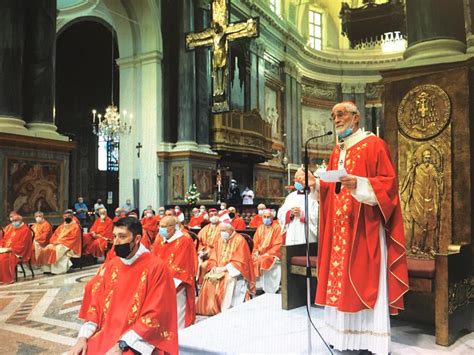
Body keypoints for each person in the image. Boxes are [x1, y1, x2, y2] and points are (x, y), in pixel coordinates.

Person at [316, 101, 408, 354]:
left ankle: (371, 341)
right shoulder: (337, 150)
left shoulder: (374, 145)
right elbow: (333, 189)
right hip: (340, 227)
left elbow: (388, 185)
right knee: (341, 283)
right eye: (333, 115)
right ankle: (344, 339)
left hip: (365, 225)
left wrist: (358, 183)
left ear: (356, 118)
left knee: (364, 279)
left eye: (341, 114)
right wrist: (318, 185)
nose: (336, 119)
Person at [70, 217, 178, 355]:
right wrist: (82, 337)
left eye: (122, 237)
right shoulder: (113, 265)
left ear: (137, 239)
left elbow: (156, 314)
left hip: (139, 340)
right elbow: (96, 306)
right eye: (114, 236)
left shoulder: (156, 268)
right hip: (107, 334)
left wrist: (122, 345)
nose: (116, 242)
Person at [196, 223, 255, 316]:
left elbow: (241, 261)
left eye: (224, 230)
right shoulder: (220, 239)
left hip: (233, 269)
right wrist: (214, 266)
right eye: (221, 230)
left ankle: (222, 307)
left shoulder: (239, 240)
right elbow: (213, 256)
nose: (222, 233)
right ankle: (209, 308)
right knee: (208, 277)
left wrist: (224, 268)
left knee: (226, 279)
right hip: (219, 268)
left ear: (231, 230)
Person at [152, 216, 196, 329]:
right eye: (160, 226)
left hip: (177, 281)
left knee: (176, 316)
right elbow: (153, 259)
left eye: (163, 227)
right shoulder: (160, 239)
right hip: (159, 278)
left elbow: (181, 265)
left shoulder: (184, 240)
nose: (160, 229)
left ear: (173, 227)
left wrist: (163, 281)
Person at [277, 168, 318, 245]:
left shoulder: (314, 196)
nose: (296, 181)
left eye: (299, 178)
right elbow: (281, 214)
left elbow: (317, 217)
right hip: (292, 233)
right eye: (295, 178)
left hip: (306, 233)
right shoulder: (290, 196)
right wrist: (290, 214)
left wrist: (302, 214)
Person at [36, 209, 81, 274]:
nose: (67, 218)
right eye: (65, 216)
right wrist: (54, 241)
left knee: (55, 250)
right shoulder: (62, 226)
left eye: (68, 216)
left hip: (68, 244)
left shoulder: (75, 226)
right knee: (46, 249)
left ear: (72, 216)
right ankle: (47, 269)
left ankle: (57, 270)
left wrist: (60, 242)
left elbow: (73, 238)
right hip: (57, 243)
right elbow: (55, 235)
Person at [252, 209, 283, 294]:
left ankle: (269, 289)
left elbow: (278, 244)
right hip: (260, 253)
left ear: (272, 217)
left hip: (273, 254)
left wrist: (267, 253)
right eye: (264, 217)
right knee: (251, 259)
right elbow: (255, 242)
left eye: (268, 217)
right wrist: (256, 252)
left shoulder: (277, 227)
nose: (266, 219)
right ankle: (257, 286)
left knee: (264, 260)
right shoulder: (260, 227)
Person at [0, 213, 33, 284]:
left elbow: (23, 245)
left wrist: (10, 249)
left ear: (20, 220)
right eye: (13, 221)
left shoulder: (25, 230)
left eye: (16, 220)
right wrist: (2, 246)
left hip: (18, 252)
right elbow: (5, 239)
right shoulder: (11, 228)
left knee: (2, 258)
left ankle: (6, 279)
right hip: (7, 250)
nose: (14, 222)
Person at [197, 208, 221, 285]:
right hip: (204, 252)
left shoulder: (223, 227)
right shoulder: (205, 228)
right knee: (194, 262)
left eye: (215, 214)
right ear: (209, 217)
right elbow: (198, 241)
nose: (213, 216)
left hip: (217, 254)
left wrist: (209, 253)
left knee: (204, 266)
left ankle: (204, 286)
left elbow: (225, 244)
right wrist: (201, 250)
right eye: (211, 215)